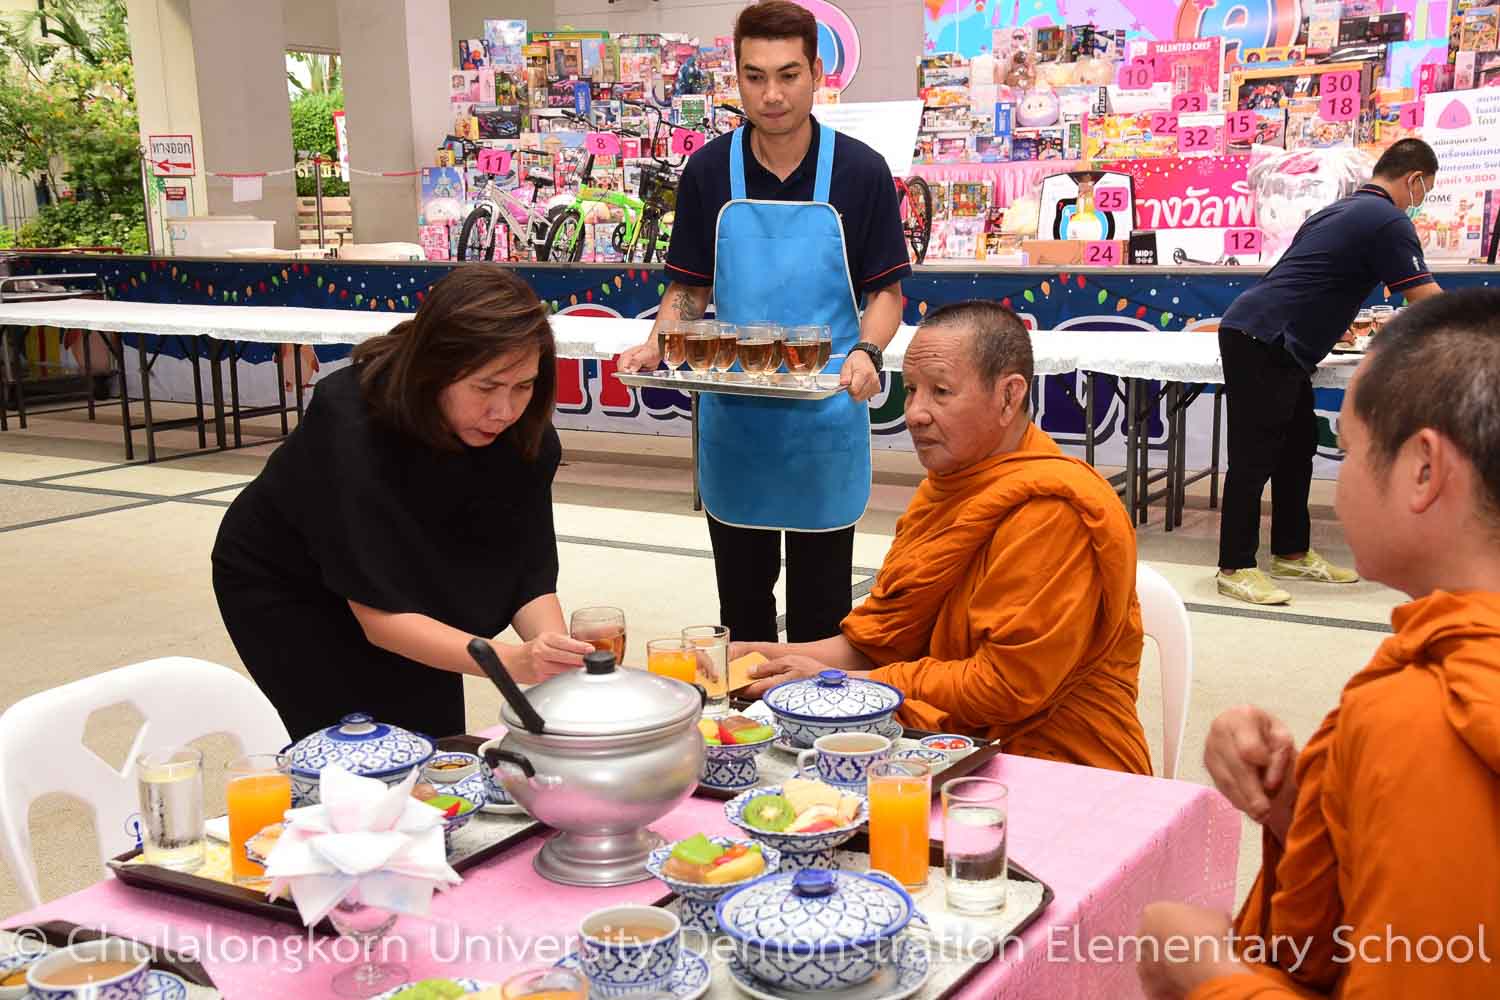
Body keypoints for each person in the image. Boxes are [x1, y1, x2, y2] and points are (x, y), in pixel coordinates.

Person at [1135, 290, 1500, 998]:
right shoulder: (1444, 667)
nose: (1338, 479)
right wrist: (1299, 802)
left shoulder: (1431, 720)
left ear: (1424, 470)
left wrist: (1206, 974)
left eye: (1352, 451)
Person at [738, 302, 1152, 774]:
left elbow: (1004, 687)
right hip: (937, 745)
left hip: (1055, 766)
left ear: (1008, 396)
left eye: (941, 391)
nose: (915, 413)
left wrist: (844, 684)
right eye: (911, 390)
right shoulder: (946, 490)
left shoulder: (1052, 512)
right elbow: (879, 642)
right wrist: (765, 656)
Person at [617, 0, 910, 644]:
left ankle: (811, 707)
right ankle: (744, 706)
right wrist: (656, 343)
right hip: (737, 420)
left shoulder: (861, 172)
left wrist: (866, 351)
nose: (771, 94)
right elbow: (689, 288)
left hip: (825, 415)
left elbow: (886, 293)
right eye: (755, 76)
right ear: (737, 77)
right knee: (742, 608)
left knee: (821, 613)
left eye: (788, 74)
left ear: (817, 74)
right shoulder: (707, 171)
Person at [212, 266, 593, 740]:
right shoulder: (352, 425)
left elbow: (527, 572)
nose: (504, 411)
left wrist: (552, 655)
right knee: (361, 746)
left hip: (409, 579)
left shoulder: (524, 434)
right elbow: (382, 617)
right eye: (486, 387)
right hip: (293, 586)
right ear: (435, 370)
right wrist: (513, 662)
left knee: (433, 737)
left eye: (523, 386)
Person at [1215, 138, 1443, 606]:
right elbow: (1426, 298)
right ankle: (1234, 566)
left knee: (1297, 449)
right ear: (1414, 179)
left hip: (1273, 336)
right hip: (1264, 337)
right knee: (1254, 457)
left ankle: (1291, 552)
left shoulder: (1337, 211)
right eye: (1425, 190)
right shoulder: (1389, 220)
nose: (1420, 201)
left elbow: (1314, 277)